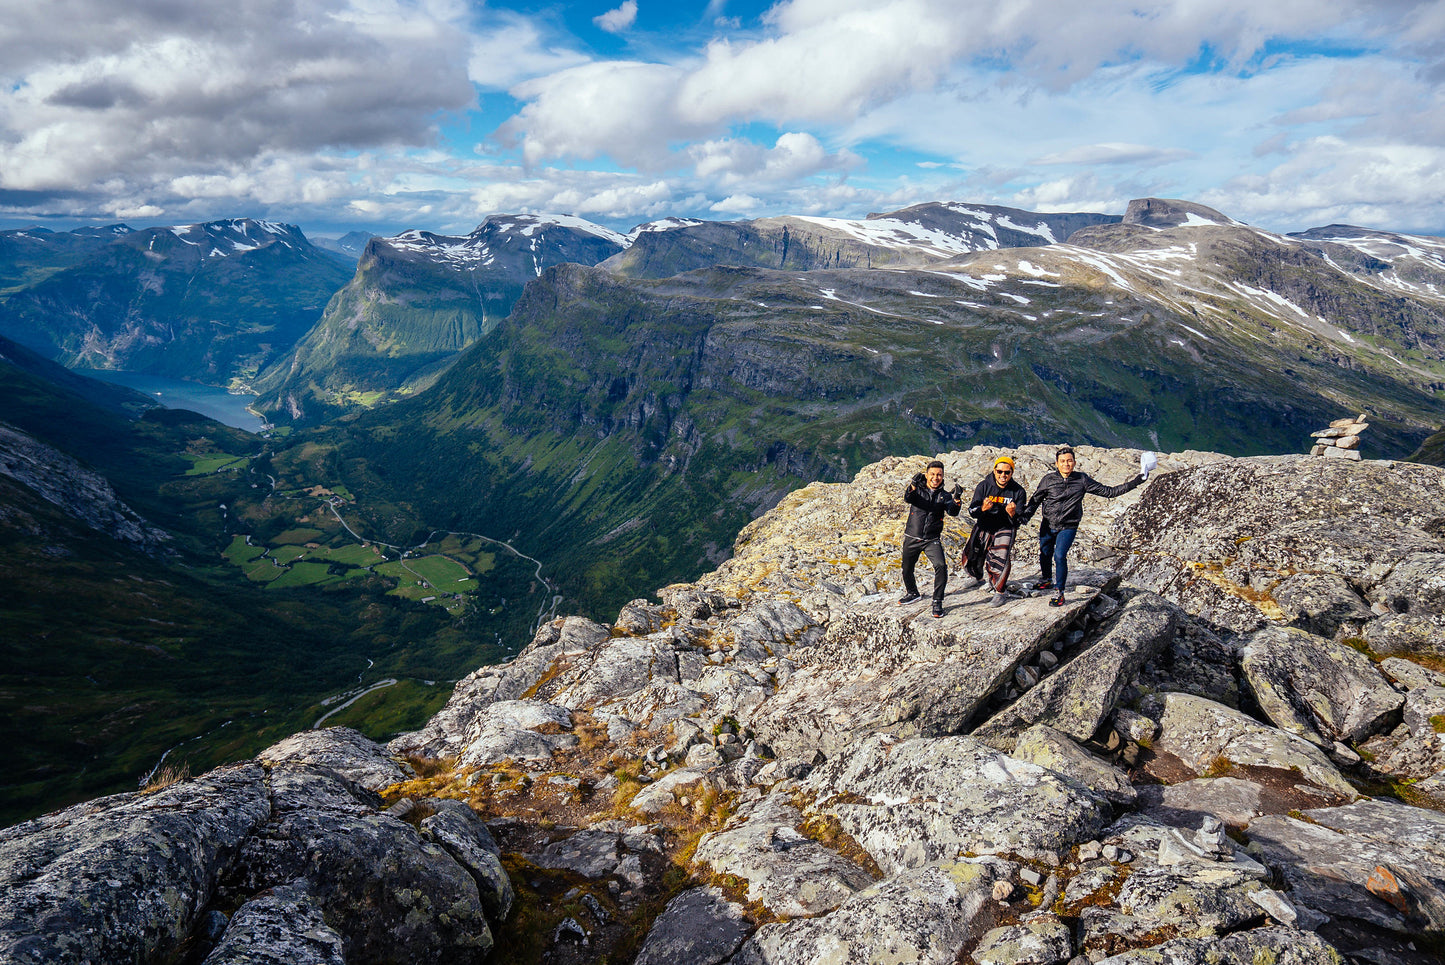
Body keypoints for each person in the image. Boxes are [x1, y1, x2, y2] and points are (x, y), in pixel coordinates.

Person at [1020, 446, 1145, 607]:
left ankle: (1059, 592)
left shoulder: (1082, 480)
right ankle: (1046, 579)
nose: (1066, 464)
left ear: (1074, 462)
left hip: (1069, 526)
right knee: (1045, 552)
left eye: (1069, 461)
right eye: (1062, 461)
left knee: (1059, 556)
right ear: (1057, 463)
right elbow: (1035, 500)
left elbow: (1110, 492)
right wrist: (1024, 517)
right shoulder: (1048, 480)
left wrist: (1138, 480)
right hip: (1048, 523)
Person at [899, 460, 963, 618]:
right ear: (926, 475)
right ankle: (912, 593)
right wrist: (913, 485)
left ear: (943, 476)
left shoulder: (945, 496)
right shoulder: (918, 490)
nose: (936, 477)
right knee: (907, 568)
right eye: (932, 474)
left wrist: (957, 499)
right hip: (912, 536)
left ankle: (937, 601)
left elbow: (953, 512)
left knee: (940, 566)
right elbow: (908, 498)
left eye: (939, 475)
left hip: (931, 539)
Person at [964, 455, 1027, 607]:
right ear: (994, 471)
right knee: (973, 552)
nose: (1003, 475)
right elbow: (972, 511)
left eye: (1007, 472)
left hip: (1005, 527)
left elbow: (1020, 519)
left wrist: (1012, 514)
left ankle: (1000, 591)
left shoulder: (1018, 491)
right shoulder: (984, 486)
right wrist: (982, 508)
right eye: (999, 471)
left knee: (1001, 557)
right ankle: (977, 577)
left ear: (1012, 473)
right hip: (984, 524)